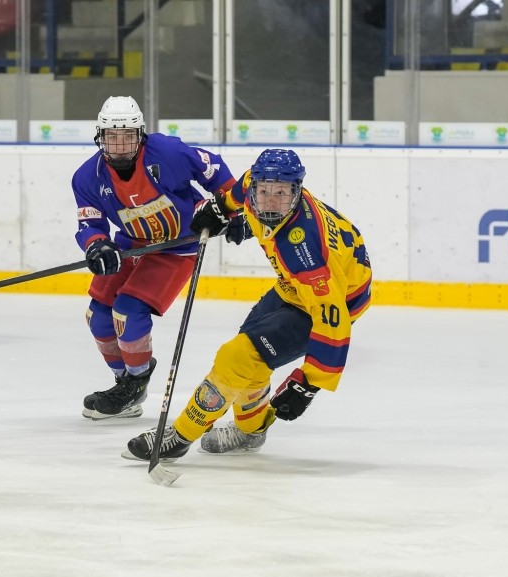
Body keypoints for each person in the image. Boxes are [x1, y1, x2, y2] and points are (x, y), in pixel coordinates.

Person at [123, 148, 372, 461]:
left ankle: (179, 436)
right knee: (252, 355)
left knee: (237, 356)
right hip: (293, 288)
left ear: (297, 191)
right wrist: (221, 209)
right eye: (264, 192)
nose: (270, 201)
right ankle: (250, 430)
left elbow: (333, 318)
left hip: (332, 299)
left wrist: (309, 384)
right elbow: (235, 195)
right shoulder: (253, 184)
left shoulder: (304, 249)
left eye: (281, 193)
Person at [73, 95, 237, 420]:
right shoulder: (87, 177)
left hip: (177, 248)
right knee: (98, 317)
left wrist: (233, 210)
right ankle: (127, 387)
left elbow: (215, 171)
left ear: (141, 134)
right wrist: (97, 245)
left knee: (127, 312)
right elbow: (90, 223)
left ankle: (136, 380)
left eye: (127, 136)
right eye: (112, 137)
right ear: (100, 137)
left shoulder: (169, 152)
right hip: (132, 244)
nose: (120, 145)